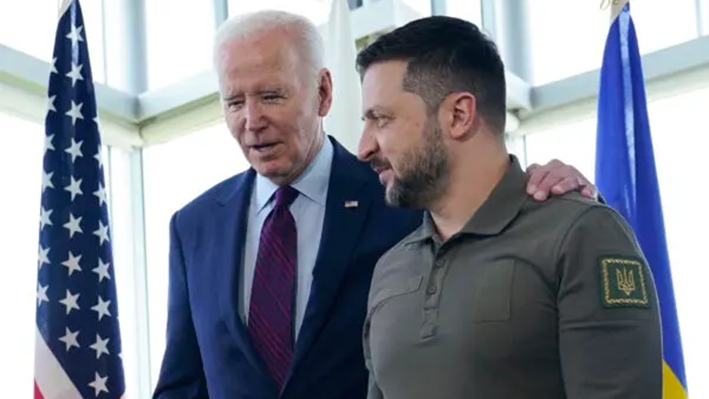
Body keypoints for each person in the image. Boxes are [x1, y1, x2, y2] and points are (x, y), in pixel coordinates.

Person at [152, 10, 601, 399]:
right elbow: (184, 384)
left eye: (272, 96)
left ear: (324, 92)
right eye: (234, 102)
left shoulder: (405, 193)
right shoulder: (193, 226)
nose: (252, 121)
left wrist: (550, 187)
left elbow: (485, 194)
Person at [356, 15, 662, 399]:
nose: (364, 147)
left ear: (458, 115)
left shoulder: (579, 235)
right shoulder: (390, 268)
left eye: (381, 120)